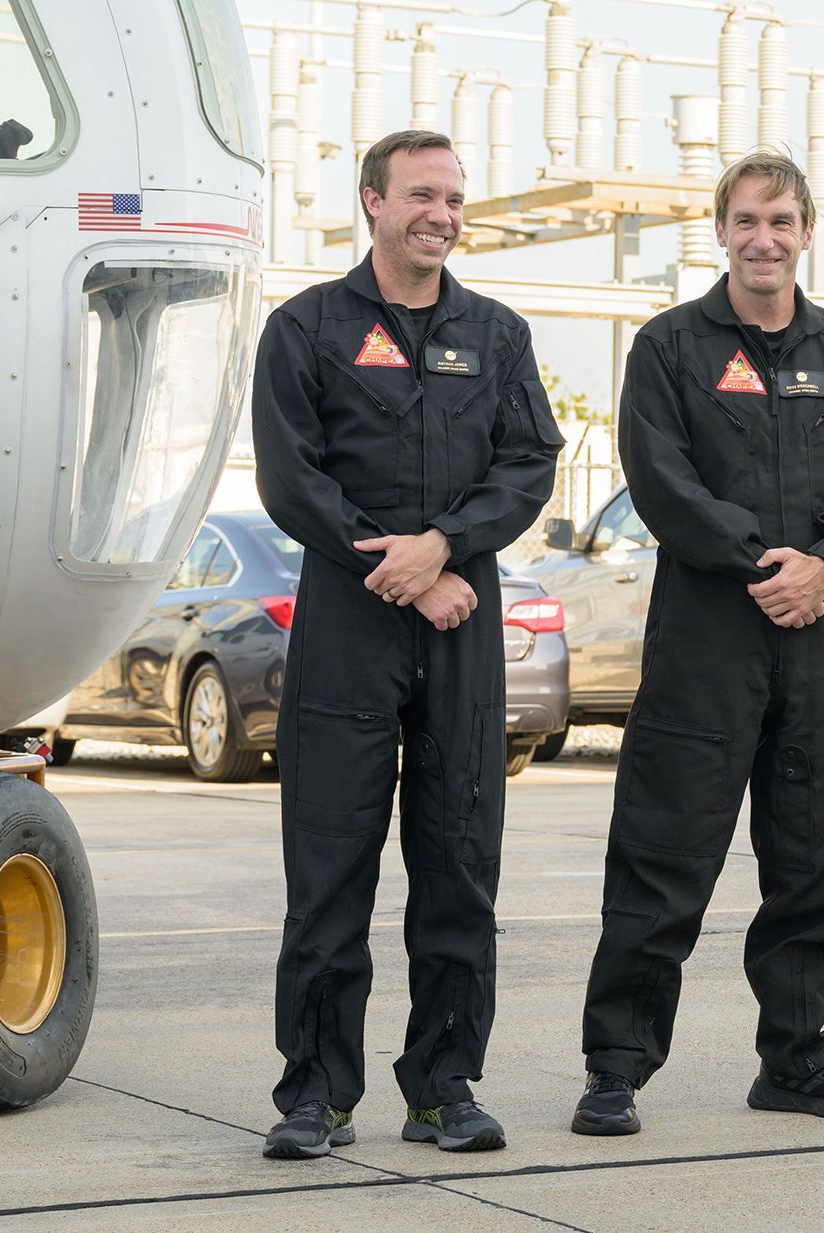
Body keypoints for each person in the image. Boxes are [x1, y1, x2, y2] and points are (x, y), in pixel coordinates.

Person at [571, 152, 824, 1136]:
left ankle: (798, 1061)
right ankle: (616, 1066)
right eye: (745, 220)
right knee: (663, 853)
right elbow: (659, 474)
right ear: (719, 231)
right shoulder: (671, 347)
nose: (763, 238)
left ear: (806, 232)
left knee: (816, 859)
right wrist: (761, 561)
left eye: (781, 220)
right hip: (707, 641)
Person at [253, 129, 562, 1158]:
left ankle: (442, 1088)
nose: (442, 213)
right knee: (329, 869)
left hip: (461, 629)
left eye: (455, 199)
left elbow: (527, 464)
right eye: (423, 195)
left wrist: (445, 551)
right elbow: (292, 478)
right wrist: (400, 571)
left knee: (459, 865)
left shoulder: (499, 333)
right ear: (373, 202)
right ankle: (315, 1095)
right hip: (349, 625)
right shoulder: (304, 329)